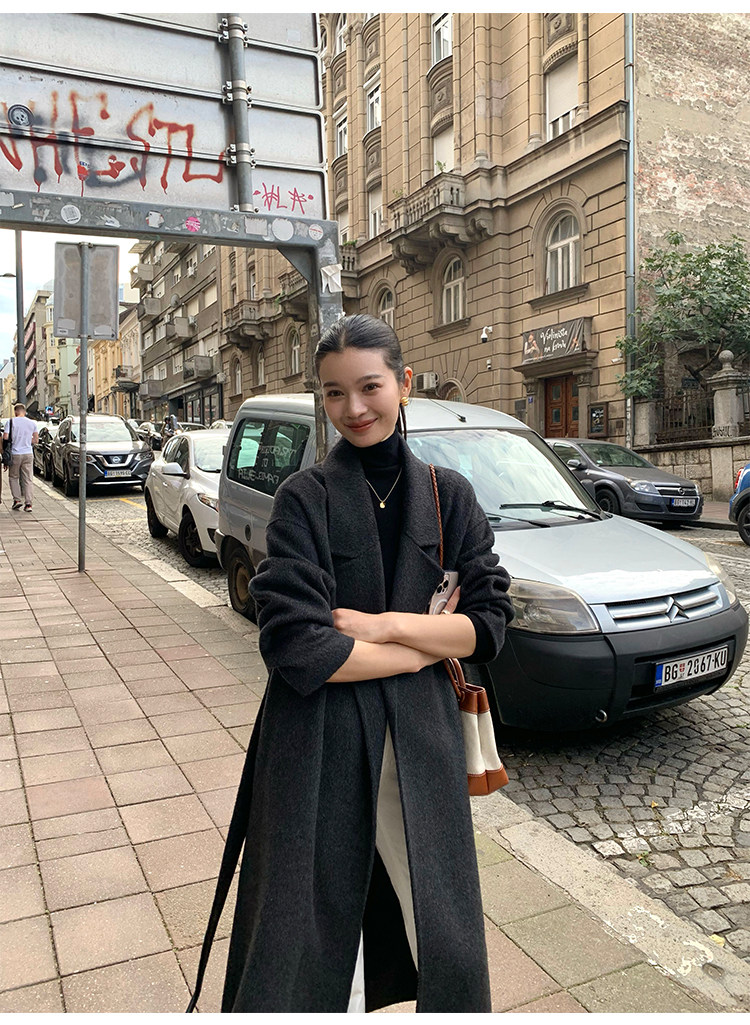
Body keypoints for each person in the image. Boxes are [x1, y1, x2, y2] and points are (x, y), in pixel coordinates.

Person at [191, 314, 513, 1014]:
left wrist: (383, 626)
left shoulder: (449, 495)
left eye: (369, 387)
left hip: (422, 742)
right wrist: (424, 644)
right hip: (318, 742)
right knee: (308, 936)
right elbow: (296, 645)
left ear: (403, 383)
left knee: (441, 930)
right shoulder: (304, 498)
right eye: (334, 393)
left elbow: (488, 624)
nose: (354, 408)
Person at [3, 402, 38, 512]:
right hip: (28, 453)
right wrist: (27, 441)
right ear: (25, 411)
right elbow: (36, 440)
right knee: (28, 479)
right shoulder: (32, 423)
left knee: (13, 477)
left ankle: (17, 500)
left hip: (15, 453)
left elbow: (5, 437)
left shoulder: (11, 422)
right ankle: (28, 504)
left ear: (15, 412)